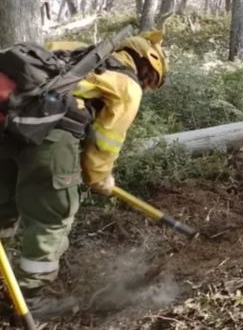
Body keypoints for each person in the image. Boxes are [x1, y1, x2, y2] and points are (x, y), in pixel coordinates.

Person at [0, 30, 168, 319]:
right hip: (48, 141)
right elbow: (106, 142)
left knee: (2, 208)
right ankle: (30, 299)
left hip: (6, 128)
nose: (147, 86)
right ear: (146, 65)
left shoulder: (71, 50)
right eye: (151, 80)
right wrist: (99, 177)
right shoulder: (128, 85)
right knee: (52, 214)